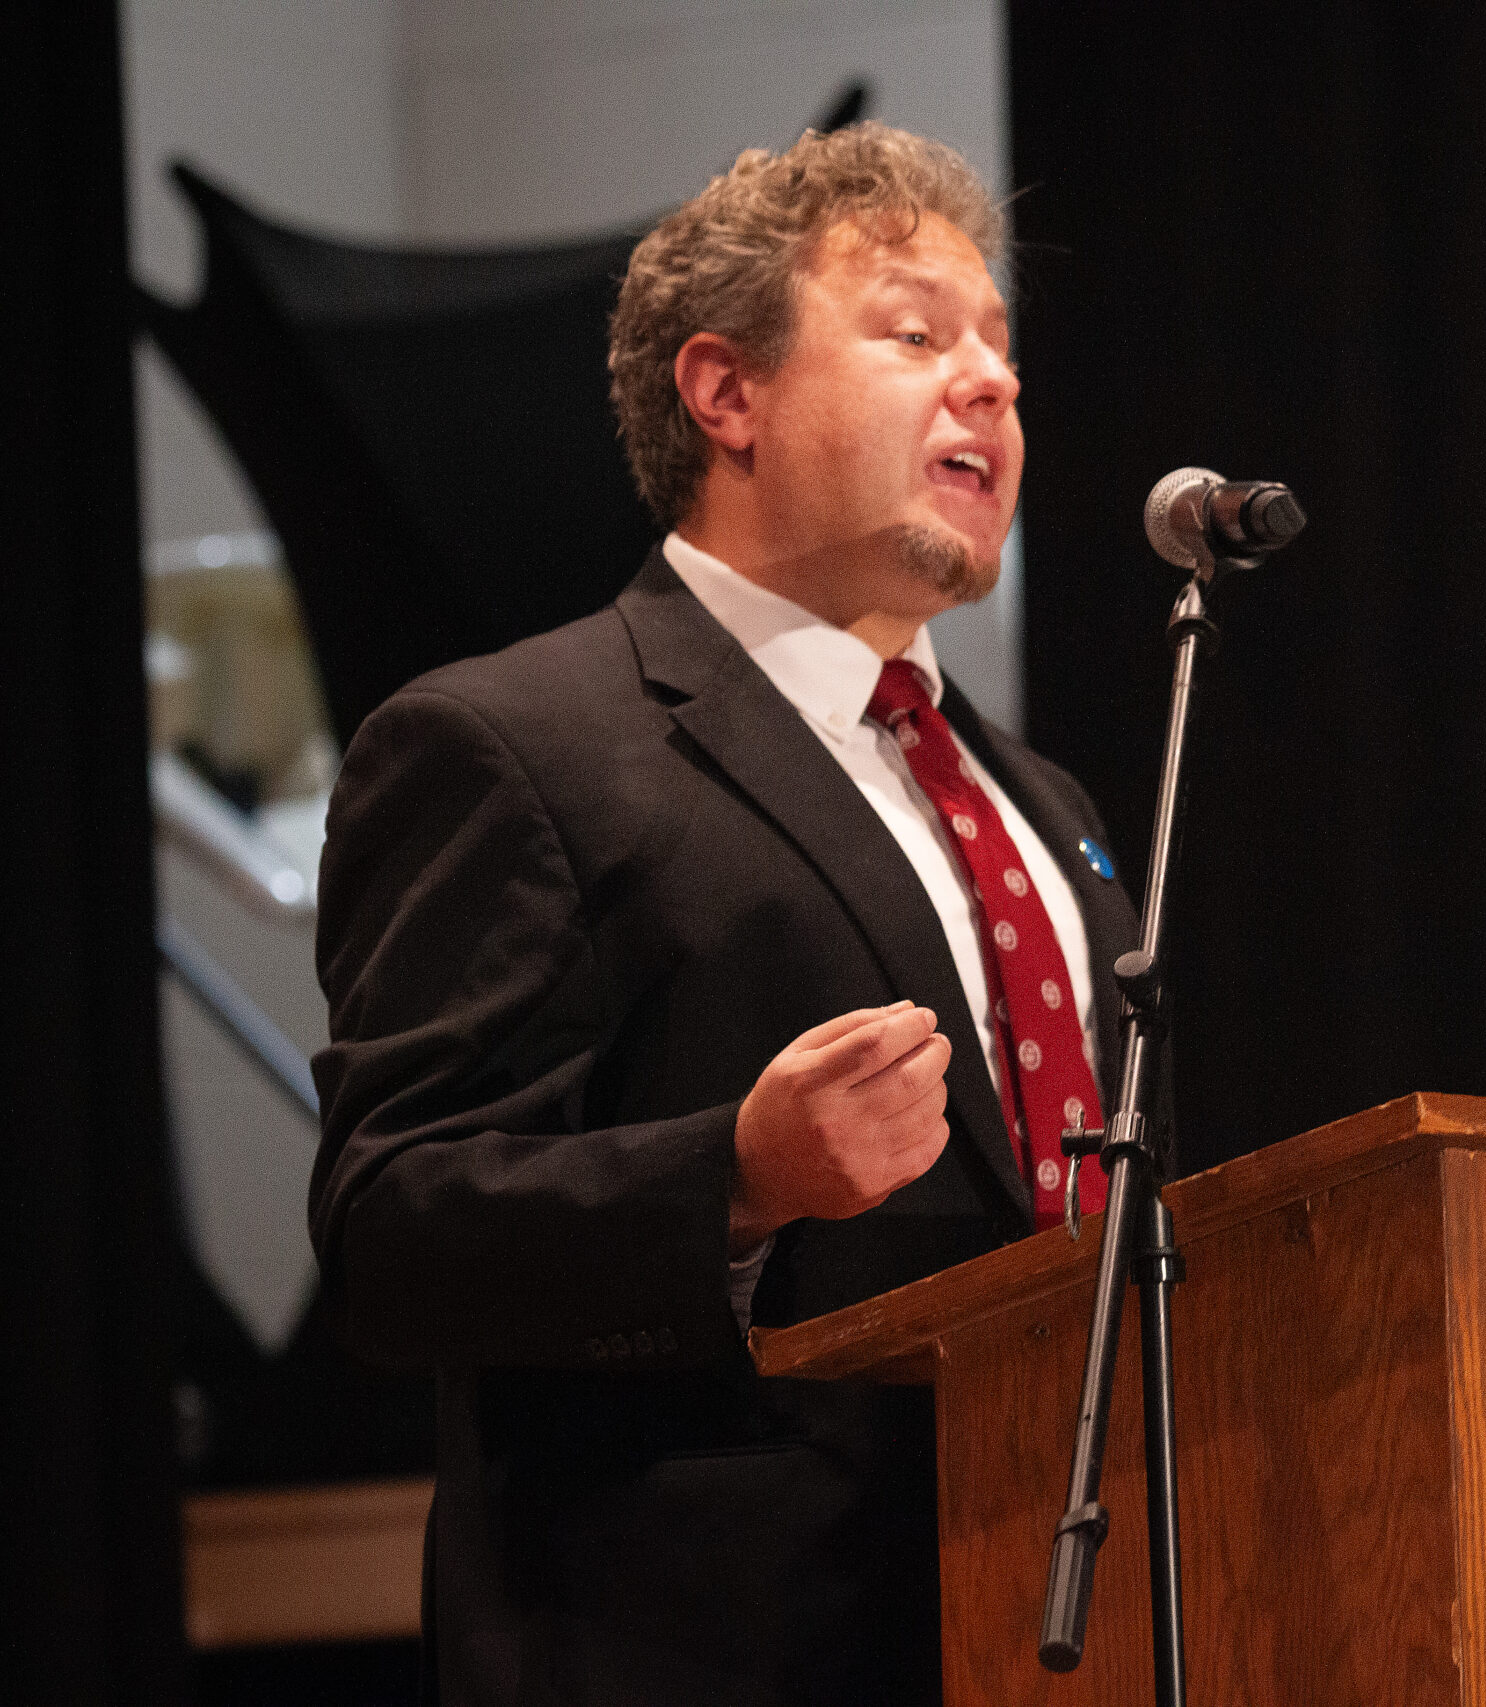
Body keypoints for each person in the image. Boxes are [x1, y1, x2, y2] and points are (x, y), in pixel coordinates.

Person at [309, 123, 1133, 1705]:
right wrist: (738, 1180)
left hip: (1062, 1641)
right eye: (916, 334)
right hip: (713, 1653)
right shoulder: (516, 742)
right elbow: (389, 1238)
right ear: (725, 393)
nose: (993, 385)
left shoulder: (1046, 807)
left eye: (1002, 351)